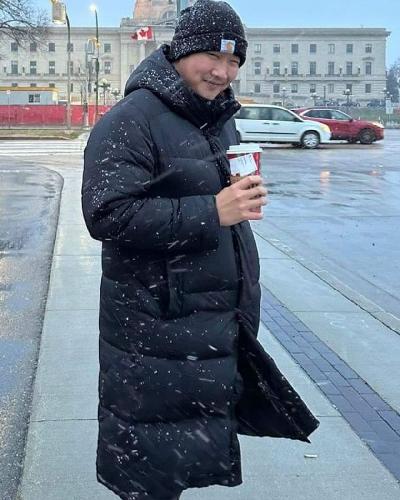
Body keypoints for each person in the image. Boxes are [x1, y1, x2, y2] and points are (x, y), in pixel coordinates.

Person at [82, 1, 318, 499]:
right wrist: (213, 210)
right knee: (150, 461)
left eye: (234, 61)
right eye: (211, 56)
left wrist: (236, 197)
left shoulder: (216, 118)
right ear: (179, 52)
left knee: (182, 450)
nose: (222, 71)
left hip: (203, 321)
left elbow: (210, 195)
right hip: (155, 326)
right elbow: (106, 214)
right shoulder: (132, 119)